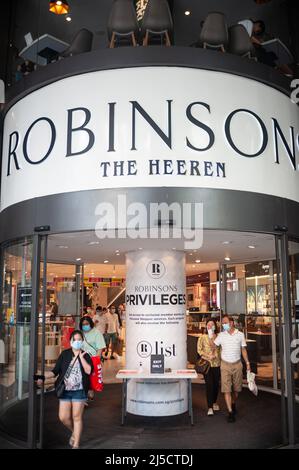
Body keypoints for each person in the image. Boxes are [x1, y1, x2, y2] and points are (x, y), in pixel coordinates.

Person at [36, 330, 93, 449]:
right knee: (63, 417)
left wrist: (80, 357)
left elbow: (88, 371)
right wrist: (41, 377)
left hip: (79, 391)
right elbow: (54, 372)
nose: (77, 342)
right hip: (65, 391)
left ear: (82, 341)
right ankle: (74, 432)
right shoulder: (65, 354)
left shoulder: (86, 355)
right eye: (75, 339)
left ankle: (76, 444)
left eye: (79, 340)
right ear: (71, 341)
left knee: (77, 417)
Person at [214, 315, 251, 423]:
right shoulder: (221, 335)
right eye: (222, 323)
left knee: (237, 389)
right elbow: (214, 346)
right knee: (226, 389)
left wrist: (247, 363)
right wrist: (211, 335)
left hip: (237, 364)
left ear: (231, 323)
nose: (222, 324)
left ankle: (233, 403)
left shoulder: (240, 335)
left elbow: (243, 349)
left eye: (225, 322)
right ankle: (230, 412)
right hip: (225, 365)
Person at [197, 319, 221, 416]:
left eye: (212, 324)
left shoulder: (219, 337)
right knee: (209, 385)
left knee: (216, 384)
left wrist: (216, 354)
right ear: (206, 326)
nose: (210, 326)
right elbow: (199, 350)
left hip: (217, 364)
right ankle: (210, 407)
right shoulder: (202, 337)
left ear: (215, 326)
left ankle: (214, 402)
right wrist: (208, 356)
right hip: (207, 364)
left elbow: (221, 349)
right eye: (208, 325)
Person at [79, 316, 106, 401]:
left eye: (87, 324)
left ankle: (88, 393)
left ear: (90, 323)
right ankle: (84, 396)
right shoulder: (80, 333)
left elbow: (100, 348)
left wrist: (96, 360)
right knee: (82, 377)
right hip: (82, 358)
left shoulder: (96, 333)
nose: (85, 326)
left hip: (92, 359)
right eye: (83, 324)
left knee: (90, 377)